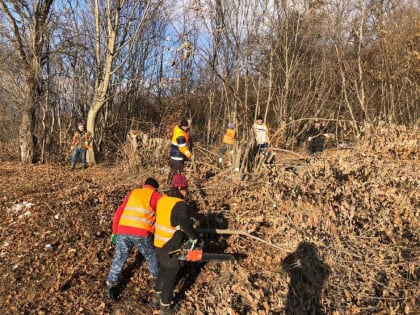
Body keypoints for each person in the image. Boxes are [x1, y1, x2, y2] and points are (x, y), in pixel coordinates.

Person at [106, 178, 162, 299]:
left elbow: (118, 213)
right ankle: (157, 279)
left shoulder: (133, 193)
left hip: (123, 230)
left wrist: (115, 231)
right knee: (151, 256)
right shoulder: (156, 196)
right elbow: (164, 215)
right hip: (141, 232)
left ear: (144, 185)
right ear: (155, 188)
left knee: (120, 257)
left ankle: (111, 285)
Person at [153, 174, 199, 315]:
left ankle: (156, 295)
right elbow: (184, 224)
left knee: (163, 269)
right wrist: (193, 237)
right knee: (171, 274)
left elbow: (171, 220)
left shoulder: (163, 200)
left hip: (159, 242)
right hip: (171, 245)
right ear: (180, 187)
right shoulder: (180, 204)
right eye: (186, 189)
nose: (186, 192)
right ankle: (165, 307)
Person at [168, 118, 193, 183]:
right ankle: (173, 185)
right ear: (181, 126)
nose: (186, 128)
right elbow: (182, 148)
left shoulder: (178, 129)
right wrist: (189, 155)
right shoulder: (180, 136)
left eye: (186, 126)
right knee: (176, 172)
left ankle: (171, 183)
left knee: (173, 171)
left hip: (175, 154)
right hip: (177, 156)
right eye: (184, 126)